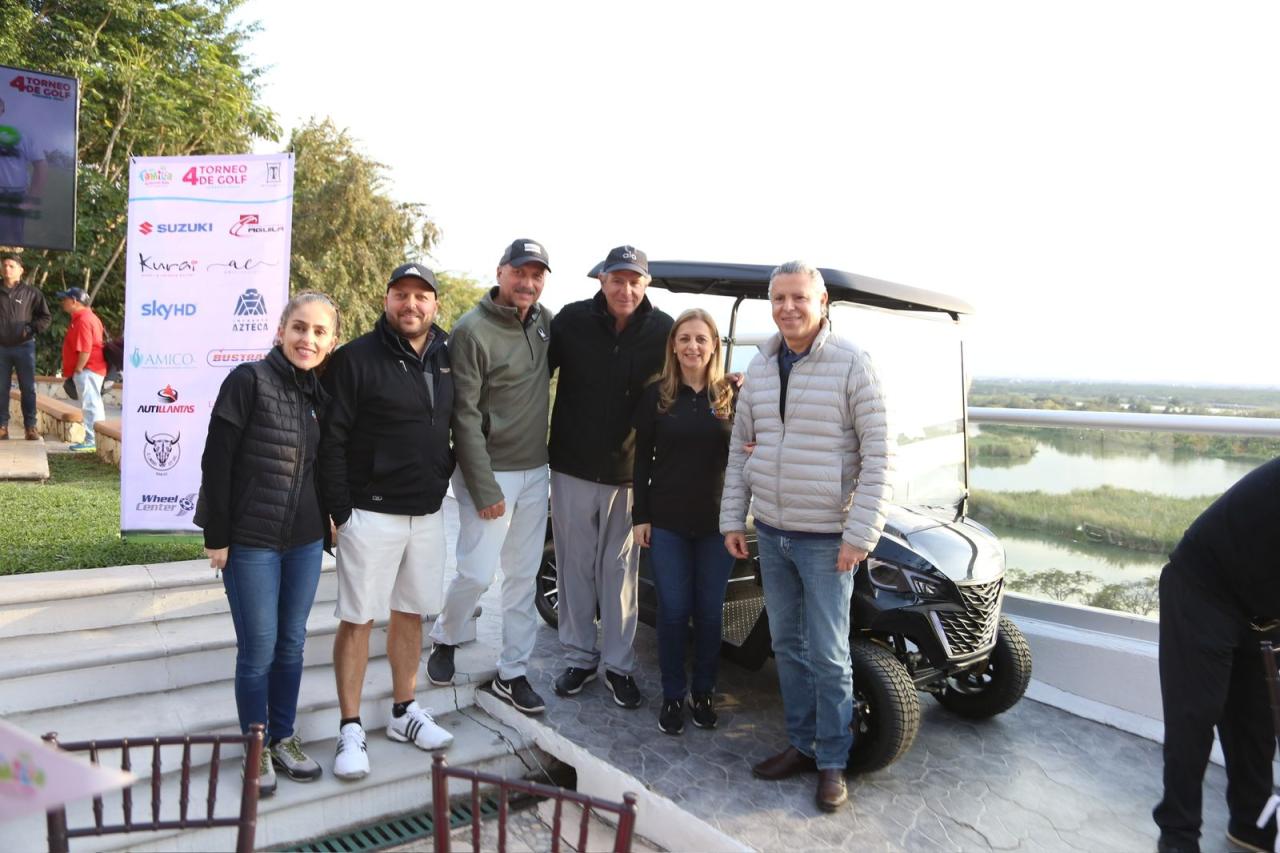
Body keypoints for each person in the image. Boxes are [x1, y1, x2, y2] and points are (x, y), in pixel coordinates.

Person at [720, 260, 894, 813]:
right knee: (786, 647)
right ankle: (802, 744)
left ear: (822, 303)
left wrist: (860, 534)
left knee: (829, 654)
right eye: (779, 298)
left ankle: (832, 760)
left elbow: (880, 456)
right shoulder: (760, 364)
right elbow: (741, 448)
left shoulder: (852, 363)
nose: (788, 307)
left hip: (826, 540)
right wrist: (733, 519)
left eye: (799, 297)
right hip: (773, 532)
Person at [195, 291, 340, 797]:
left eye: (319, 332)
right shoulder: (247, 380)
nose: (308, 339)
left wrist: (329, 519)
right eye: (299, 327)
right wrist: (217, 536)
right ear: (280, 331)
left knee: (292, 642)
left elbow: (317, 467)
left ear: (331, 342)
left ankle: (283, 737)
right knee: (258, 648)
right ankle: (255, 746)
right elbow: (216, 461)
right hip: (250, 542)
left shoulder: (318, 395)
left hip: (303, 542)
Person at [319, 263, 456, 781]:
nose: (411, 304)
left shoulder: (448, 355)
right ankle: (350, 727)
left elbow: (460, 423)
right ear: (387, 300)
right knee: (358, 618)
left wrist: (445, 472)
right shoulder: (355, 358)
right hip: (369, 512)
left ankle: (403, 711)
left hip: (427, 511)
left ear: (435, 305)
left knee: (411, 614)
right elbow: (331, 439)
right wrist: (340, 512)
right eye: (401, 294)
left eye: (422, 296)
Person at [427, 239, 554, 716]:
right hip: (489, 471)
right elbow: (462, 417)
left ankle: (513, 672)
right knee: (478, 572)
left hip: (535, 470)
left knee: (522, 577)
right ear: (500, 272)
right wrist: (484, 488)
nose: (527, 282)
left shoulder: (544, 322)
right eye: (519, 272)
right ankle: (446, 635)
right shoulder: (470, 331)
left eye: (537, 274)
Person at [546, 245, 672, 709]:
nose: (626, 289)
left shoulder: (664, 329)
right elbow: (532, 373)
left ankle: (619, 667)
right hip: (571, 466)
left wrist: (732, 390)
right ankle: (580, 658)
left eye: (635, 281)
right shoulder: (571, 320)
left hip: (629, 474)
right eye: (617, 280)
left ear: (646, 284)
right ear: (602, 280)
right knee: (575, 567)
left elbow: (692, 376)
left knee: (619, 574)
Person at [1153, 457, 1280, 853]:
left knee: (1255, 721)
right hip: (1202, 587)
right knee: (1194, 718)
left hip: (1262, 605)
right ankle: (1178, 837)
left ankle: (1252, 827)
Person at [632, 308, 736, 735]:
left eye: (701, 339)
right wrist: (640, 516)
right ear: (673, 346)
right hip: (668, 522)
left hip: (718, 526)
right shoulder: (657, 396)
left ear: (714, 346)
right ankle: (673, 694)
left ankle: (703, 693)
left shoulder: (731, 397)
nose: (693, 346)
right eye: (685, 338)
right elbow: (641, 459)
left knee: (709, 614)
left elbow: (748, 456)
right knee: (674, 612)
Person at [0, 252, 50, 440]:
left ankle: (30, 427)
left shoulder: (32, 293)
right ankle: (2, 427)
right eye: (4, 265)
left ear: (21, 270)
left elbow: (45, 317)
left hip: (24, 347)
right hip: (1, 348)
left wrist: (30, 329)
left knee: (28, 388)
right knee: (1, 389)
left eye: (11, 266)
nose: (7, 269)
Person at [54, 287, 106, 453]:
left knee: (91, 404)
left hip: (88, 368)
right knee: (92, 403)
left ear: (74, 301)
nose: (63, 302)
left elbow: (85, 349)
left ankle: (92, 440)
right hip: (90, 368)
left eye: (65, 299)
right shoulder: (84, 318)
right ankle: (95, 439)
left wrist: (78, 368)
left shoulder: (83, 320)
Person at [0, 97, 47, 246]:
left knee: (10, 245)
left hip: (13, 197)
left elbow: (41, 165)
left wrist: (31, 199)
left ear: (2, 110)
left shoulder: (21, 135)